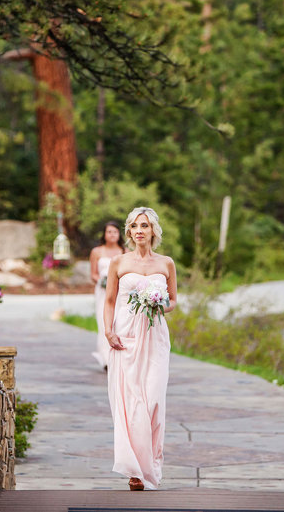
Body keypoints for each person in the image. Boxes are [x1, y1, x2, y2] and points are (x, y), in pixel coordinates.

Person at [103, 206, 176, 491]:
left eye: (144, 225)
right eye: (135, 226)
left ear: (153, 230)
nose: (140, 231)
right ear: (129, 232)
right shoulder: (118, 263)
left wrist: (158, 301)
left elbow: (173, 302)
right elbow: (109, 301)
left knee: (154, 400)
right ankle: (135, 470)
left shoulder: (166, 263)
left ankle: (151, 465)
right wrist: (108, 331)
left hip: (155, 336)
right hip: (126, 337)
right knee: (131, 403)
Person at [89, 221, 126, 370]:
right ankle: (106, 358)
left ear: (119, 234)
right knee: (104, 321)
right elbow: (93, 274)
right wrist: (104, 282)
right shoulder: (97, 252)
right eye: (109, 231)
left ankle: (119, 355)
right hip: (102, 292)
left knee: (120, 320)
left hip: (120, 291)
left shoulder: (125, 251)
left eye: (115, 232)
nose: (112, 234)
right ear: (104, 234)